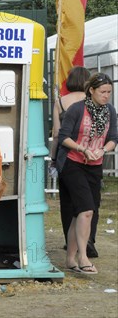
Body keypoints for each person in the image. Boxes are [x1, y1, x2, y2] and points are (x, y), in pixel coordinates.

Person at [57, 72, 117, 275]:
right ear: (91, 90)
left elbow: (114, 137)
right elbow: (63, 137)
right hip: (72, 163)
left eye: (109, 92)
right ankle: (83, 257)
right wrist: (82, 149)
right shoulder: (77, 109)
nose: (106, 96)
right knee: (86, 210)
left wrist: (103, 150)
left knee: (79, 213)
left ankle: (70, 258)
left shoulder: (110, 111)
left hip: (95, 164)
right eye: (103, 92)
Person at [50, 66, 100, 257]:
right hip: (92, 154)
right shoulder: (93, 101)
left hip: (67, 154)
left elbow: (56, 134)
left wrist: (53, 160)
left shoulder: (61, 102)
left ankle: (69, 242)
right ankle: (89, 240)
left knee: (69, 201)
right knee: (92, 201)